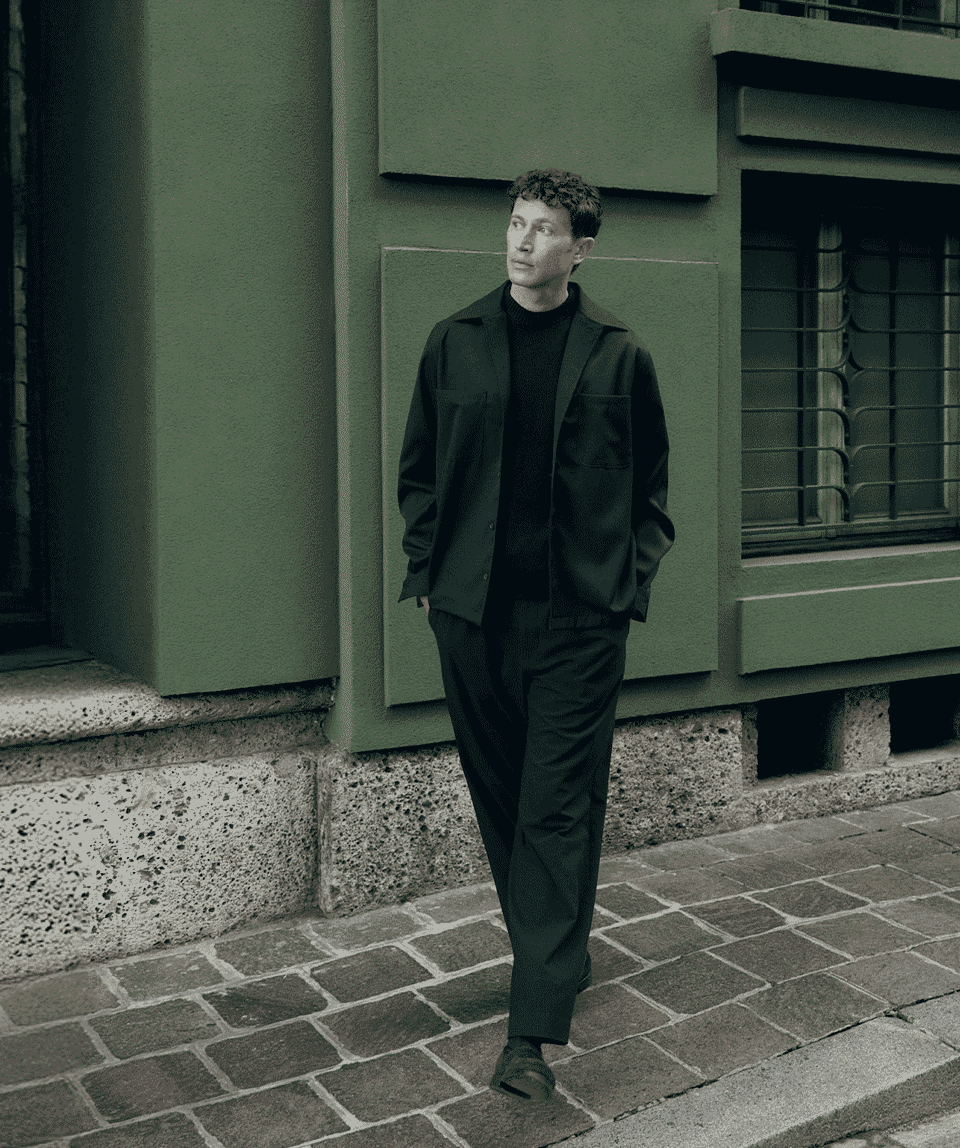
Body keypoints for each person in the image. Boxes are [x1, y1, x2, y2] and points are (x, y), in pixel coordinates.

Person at [396, 168, 674, 1101]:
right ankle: (557, 955)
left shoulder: (618, 354)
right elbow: (422, 474)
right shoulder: (455, 343)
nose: (522, 241)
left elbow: (650, 494)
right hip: (472, 619)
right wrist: (427, 579)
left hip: (577, 624)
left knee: (557, 805)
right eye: (515, 224)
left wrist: (623, 590)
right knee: (507, 801)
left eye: (544, 228)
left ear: (580, 247)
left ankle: (532, 1033)